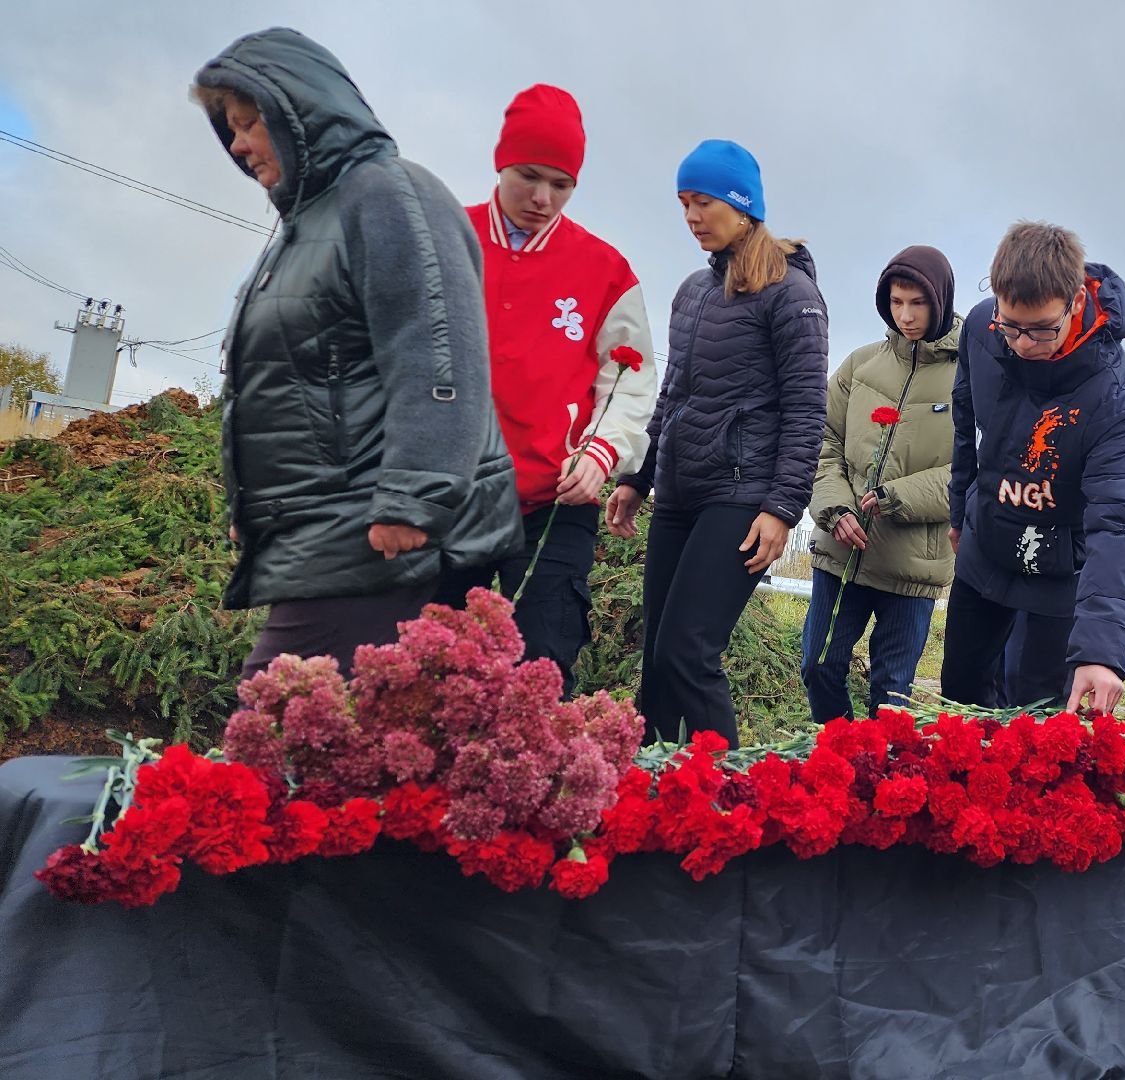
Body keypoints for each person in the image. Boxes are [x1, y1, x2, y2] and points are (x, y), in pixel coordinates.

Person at [193, 29, 518, 680]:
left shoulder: (388, 195)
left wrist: (413, 499)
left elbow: (437, 350)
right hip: (325, 529)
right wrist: (257, 512)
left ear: (301, 111)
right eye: (230, 128)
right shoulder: (305, 226)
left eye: (250, 122)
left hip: (376, 534)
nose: (237, 145)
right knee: (336, 727)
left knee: (278, 711)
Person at [435, 85, 659, 696]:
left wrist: (601, 453)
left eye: (561, 185)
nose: (542, 198)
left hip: (555, 500)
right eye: (529, 177)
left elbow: (631, 379)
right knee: (432, 669)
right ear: (500, 163)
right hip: (446, 497)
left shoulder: (604, 270)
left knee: (543, 666)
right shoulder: (441, 240)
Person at [608, 140, 828, 747]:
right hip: (679, 492)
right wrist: (637, 477)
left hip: (741, 494)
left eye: (703, 201)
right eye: (683, 203)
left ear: (742, 204)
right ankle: (657, 784)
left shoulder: (791, 295)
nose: (691, 216)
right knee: (658, 656)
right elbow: (673, 394)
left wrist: (782, 508)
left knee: (689, 649)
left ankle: (728, 792)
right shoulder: (692, 292)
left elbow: (808, 411)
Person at [941, 221, 1125, 713]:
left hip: (1057, 565)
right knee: (958, 703)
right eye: (1011, 326)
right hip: (985, 543)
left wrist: (1102, 652)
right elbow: (965, 425)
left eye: (1041, 330)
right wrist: (958, 514)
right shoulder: (981, 328)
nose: (1021, 343)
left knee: (1035, 717)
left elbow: (1122, 519)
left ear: (1075, 303)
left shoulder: (1110, 393)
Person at [801, 247, 961, 722]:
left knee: (892, 695)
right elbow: (821, 440)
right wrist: (835, 509)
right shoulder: (860, 365)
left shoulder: (971, 377)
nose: (905, 316)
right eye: (896, 302)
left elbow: (972, 471)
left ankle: (882, 766)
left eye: (918, 303)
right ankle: (841, 753)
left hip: (914, 567)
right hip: (842, 553)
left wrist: (897, 497)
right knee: (818, 667)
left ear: (941, 301)